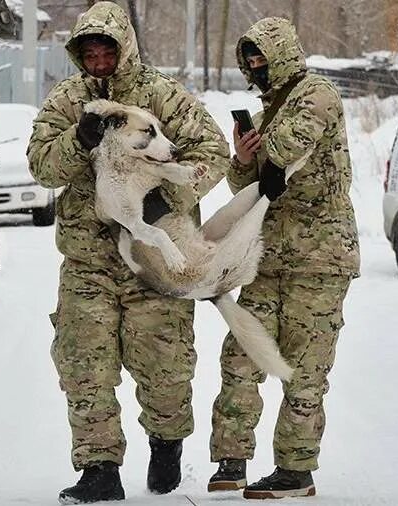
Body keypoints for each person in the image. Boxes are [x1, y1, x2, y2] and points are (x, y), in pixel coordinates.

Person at [26, 2, 230, 503]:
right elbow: (41, 166)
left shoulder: (162, 96)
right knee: (84, 363)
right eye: (88, 51)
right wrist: (78, 142)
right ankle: (99, 468)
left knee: (164, 367)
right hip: (87, 260)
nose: (98, 59)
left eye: (106, 49)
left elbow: (214, 152)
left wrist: (167, 199)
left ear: (125, 48)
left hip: (153, 259)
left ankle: (166, 444)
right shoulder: (69, 101)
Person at [206, 17, 360, 500]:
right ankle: (232, 459)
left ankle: (296, 471)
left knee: (304, 366)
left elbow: (292, 145)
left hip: (319, 258)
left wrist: (261, 149)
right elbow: (247, 187)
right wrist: (242, 157)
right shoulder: (271, 108)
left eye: (262, 57)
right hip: (268, 256)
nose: (257, 66)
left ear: (283, 54)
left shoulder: (316, 94)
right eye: (249, 60)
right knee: (241, 356)